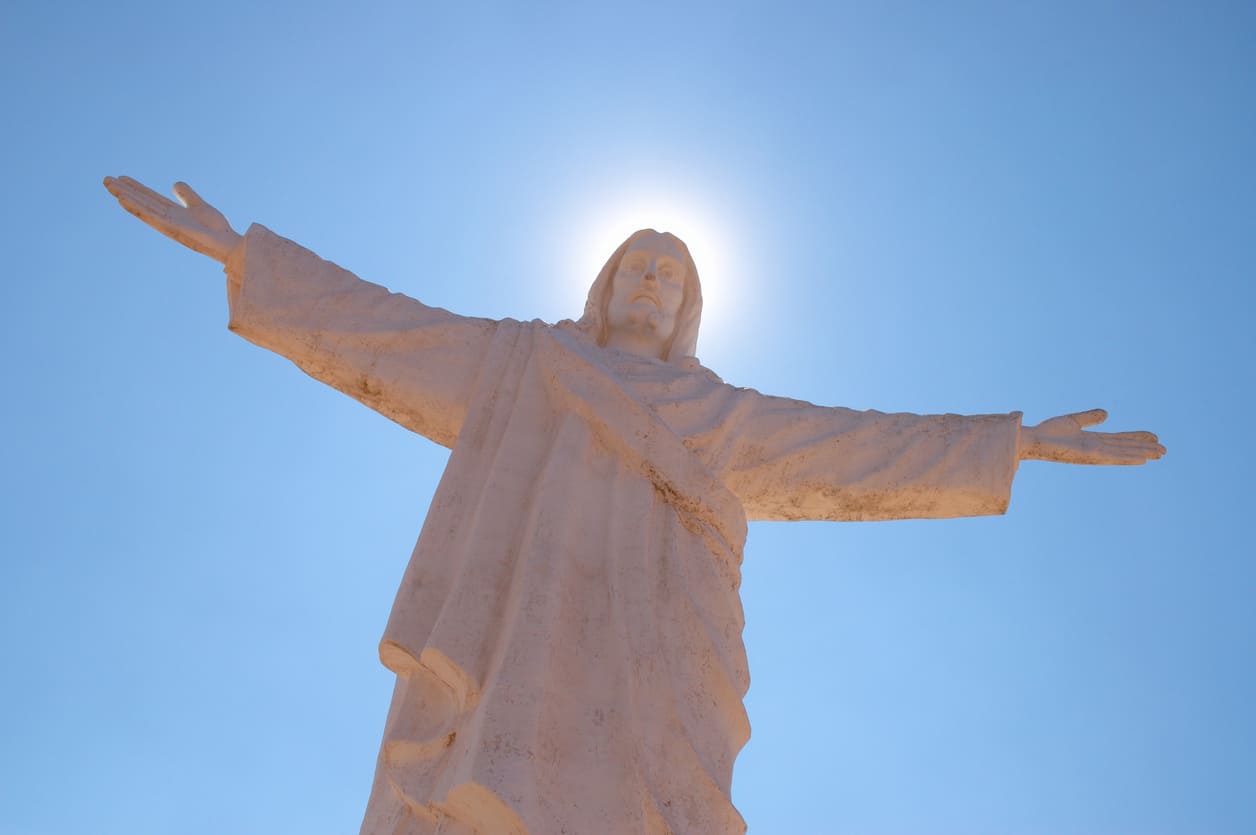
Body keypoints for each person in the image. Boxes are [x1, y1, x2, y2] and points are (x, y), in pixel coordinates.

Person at [103, 177, 1165, 835]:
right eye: (636, 267)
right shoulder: (522, 362)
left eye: (670, 273)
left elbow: (852, 445)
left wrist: (1005, 443)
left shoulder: (718, 415)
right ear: (606, 285)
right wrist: (251, 259)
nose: (650, 284)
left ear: (689, 304)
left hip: (650, 656)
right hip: (516, 625)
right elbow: (388, 332)